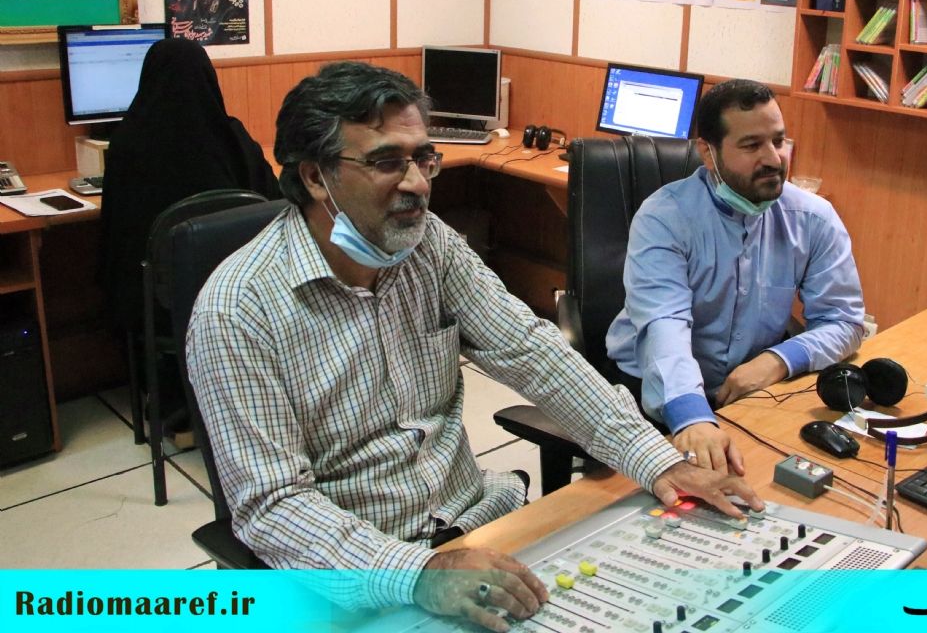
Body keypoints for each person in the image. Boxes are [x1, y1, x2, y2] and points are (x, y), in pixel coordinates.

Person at [185, 61, 763, 632]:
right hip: (361, 576)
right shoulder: (238, 310)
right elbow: (273, 505)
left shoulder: (428, 245)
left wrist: (658, 462)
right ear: (316, 177)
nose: (417, 183)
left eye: (423, 158)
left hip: (476, 527)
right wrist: (418, 572)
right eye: (387, 162)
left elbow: (533, 353)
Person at [607, 79, 865, 474]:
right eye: (751, 145)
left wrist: (778, 360)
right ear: (707, 154)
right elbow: (664, 326)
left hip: (752, 389)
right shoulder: (664, 219)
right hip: (655, 392)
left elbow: (844, 321)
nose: (774, 159)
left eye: (778, 140)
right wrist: (691, 416)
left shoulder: (812, 218)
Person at [100, 37, 279, 426]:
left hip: (160, 304)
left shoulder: (127, 143)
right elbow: (273, 200)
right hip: (238, 293)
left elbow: (115, 233)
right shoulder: (232, 135)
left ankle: (165, 394)